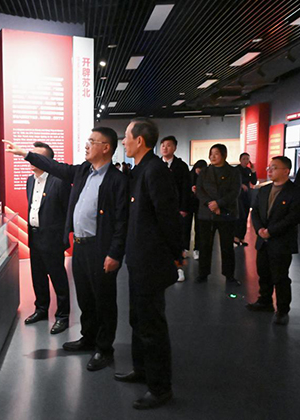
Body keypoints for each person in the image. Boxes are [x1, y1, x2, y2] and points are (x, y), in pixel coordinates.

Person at [3, 127, 128, 372]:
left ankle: (104, 348)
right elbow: (55, 166)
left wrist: (115, 253)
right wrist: (25, 154)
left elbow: (122, 221)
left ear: (106, 147)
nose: (87, 145)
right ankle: (88, 338)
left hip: (100, 248)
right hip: (80, 247)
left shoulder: (117, 179)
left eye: (92, 141)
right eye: (87, 140)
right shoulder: (82, 171)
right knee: (85, 297)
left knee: (103, 300)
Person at [114, 118, 181, 410]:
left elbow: (168, 217)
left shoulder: (155, 171)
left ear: (139, 140)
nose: (124, 142)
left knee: (152, 325)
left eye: (126, 137)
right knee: (137, 319)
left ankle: (160, 387)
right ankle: (142, 370)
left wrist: (175, 254)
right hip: (138, 259)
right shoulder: (140, 170)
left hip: (151, 261)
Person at [246, 156, 300, 325]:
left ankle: (282, 310)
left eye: (274, 167)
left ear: (286, 171)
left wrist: (271, 231)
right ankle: (264, 301)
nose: (270, 170)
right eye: (269, 167)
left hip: (281, 242)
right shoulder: (264, 190)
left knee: (280, 277)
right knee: (263, 272)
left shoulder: (296, 192)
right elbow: (255, 211)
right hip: (263, 240)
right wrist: (259, 229)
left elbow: (294, 217)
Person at [24, 141, 72, 334]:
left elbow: (68, 211)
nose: (32, 159)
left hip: (53, 239)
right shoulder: (30, 180)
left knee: (58, 278)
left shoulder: (59, 181)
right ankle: (41, 309)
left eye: (37, 156)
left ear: (48, 161)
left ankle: (62, 316)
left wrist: (63, 238)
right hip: (34, 236)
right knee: (38, 276)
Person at [195, 143, 242, 284]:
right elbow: (199, 190)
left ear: (224, 155)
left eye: (216, 153)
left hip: (226, 213)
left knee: (227, 246)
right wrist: (211, 204)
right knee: (205, 245)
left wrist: (219, 204)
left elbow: (235, 192)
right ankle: (203, 273)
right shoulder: (204, 172)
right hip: (206, 213)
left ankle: (229, 275)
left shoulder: (233, 172)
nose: (213, 156)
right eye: (211, 153)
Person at [159, 135, 191, 282]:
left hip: (177, 208)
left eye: (169, 145)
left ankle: (178, 268)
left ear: (175, 148)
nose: (165, 148)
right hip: (160, 209)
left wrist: (184, 208)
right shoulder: (156, 165)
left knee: (176, 239)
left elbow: (186, 188)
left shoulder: (181, 166)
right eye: (163, 145)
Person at [184, 160, 207, 260]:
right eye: (198, 169)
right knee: (186, 227)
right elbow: (184, 189)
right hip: (189, 204)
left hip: (200, 205)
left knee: (199, 228)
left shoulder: (205, 177)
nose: (199, 171)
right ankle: (185, 248)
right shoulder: (189, 176)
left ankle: (197, 249)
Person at [234, 152, 257, 246]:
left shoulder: (248, 170)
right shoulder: (236, 170)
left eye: (247, 159)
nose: (246, 161)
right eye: (244, 159)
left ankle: (242, 237)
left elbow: (254, 182)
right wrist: (241, 185)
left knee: (246, 215)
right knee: (240, 215)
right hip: (238, 196)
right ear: (240, 160)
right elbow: (233, 182)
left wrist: (253, 171)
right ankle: (235, 236)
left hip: (246, 195)